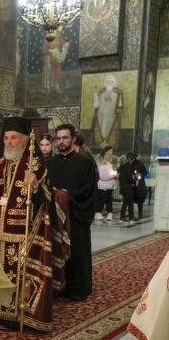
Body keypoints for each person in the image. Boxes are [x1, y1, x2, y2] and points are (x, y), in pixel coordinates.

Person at [0, 117, 67, 331]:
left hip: (24, 235)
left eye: (13, 138)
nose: (9, 142)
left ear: (25, 141)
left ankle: (19, 315)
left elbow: (47, 203)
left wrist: (35, 187)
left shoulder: (36, 166)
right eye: (6, 138)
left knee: (19, 275)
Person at [48, 124, 98, 301]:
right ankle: (57, 287)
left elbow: (89, 189)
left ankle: (77, 289)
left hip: (76, 215)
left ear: (73, 139)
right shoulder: (50, 163)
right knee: (57, 249)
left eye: (65, 138)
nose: (61, 142)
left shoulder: (85, 163)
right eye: (58, 138)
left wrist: (68, 196)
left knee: (77, 251)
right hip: (55, 216)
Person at [91, 74, 124, 148]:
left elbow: (120, 105)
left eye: (111, 81)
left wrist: (118, 111)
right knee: (102, 127)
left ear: (114, 82)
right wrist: (95, 97)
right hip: (101, 114)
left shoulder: (118, 92)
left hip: (112, 114)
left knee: (110, 127)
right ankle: (101, 142)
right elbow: (96, 105)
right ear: (105, 82)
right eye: (107, 81)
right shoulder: (101, 92)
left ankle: (109, 144)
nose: (109, 82)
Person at [96, 146, 117, 221]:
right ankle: (98, 212)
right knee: (101, 199)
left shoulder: (113, 159)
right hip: (101, 184)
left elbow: (114, 168)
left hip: (110, 183)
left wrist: (115, 174)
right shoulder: (100, 158)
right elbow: (99, 168)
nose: (111, 153)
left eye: (112, 151)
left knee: (109, 199)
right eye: (109, 151)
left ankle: (109, 213)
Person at [118, 153, 135, 224]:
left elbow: (120, 178)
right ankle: (125, 217)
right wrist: (134, 181)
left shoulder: (121, 167)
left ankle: (128, 217)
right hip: (128, 187)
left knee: (127, 202)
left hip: (123, 187)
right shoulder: (128, 166)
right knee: (128, 202)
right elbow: (129, 177)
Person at [130, 153, 148, 221]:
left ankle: (140, 214)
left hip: (140, 184)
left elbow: (145, 172)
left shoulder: (140, 163)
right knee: (130, 200)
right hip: (131, 184)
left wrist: (140, 175)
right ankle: (130, 214)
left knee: (140, 200)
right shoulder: (127, 163)